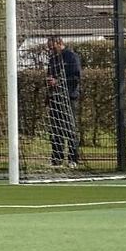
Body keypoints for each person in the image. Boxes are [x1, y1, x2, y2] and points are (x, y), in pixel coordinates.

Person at [46, 36, 81, 167]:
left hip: (69, 97)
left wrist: (59, 82)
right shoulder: (52, 59)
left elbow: (76, 77)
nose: (50, 49)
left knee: (70, 128)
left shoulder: (71, 57)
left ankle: (73, 159)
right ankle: (56, 158)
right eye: (49, 47)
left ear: (59, 43)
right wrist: (49, 89)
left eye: (52, 46)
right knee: (56, 129)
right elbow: (49, 77)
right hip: (55, 98)